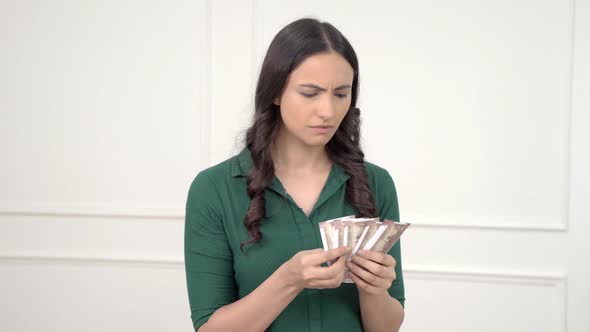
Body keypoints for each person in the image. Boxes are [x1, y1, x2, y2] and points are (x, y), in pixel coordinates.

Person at [184, 17, 405, 332]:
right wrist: (289, 280)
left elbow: (386, 328)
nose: (327, 110)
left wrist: (375, 289)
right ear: (275, 92)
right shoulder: (213, 189)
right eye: (310, 93)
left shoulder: (376, 183)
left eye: (341, 94)